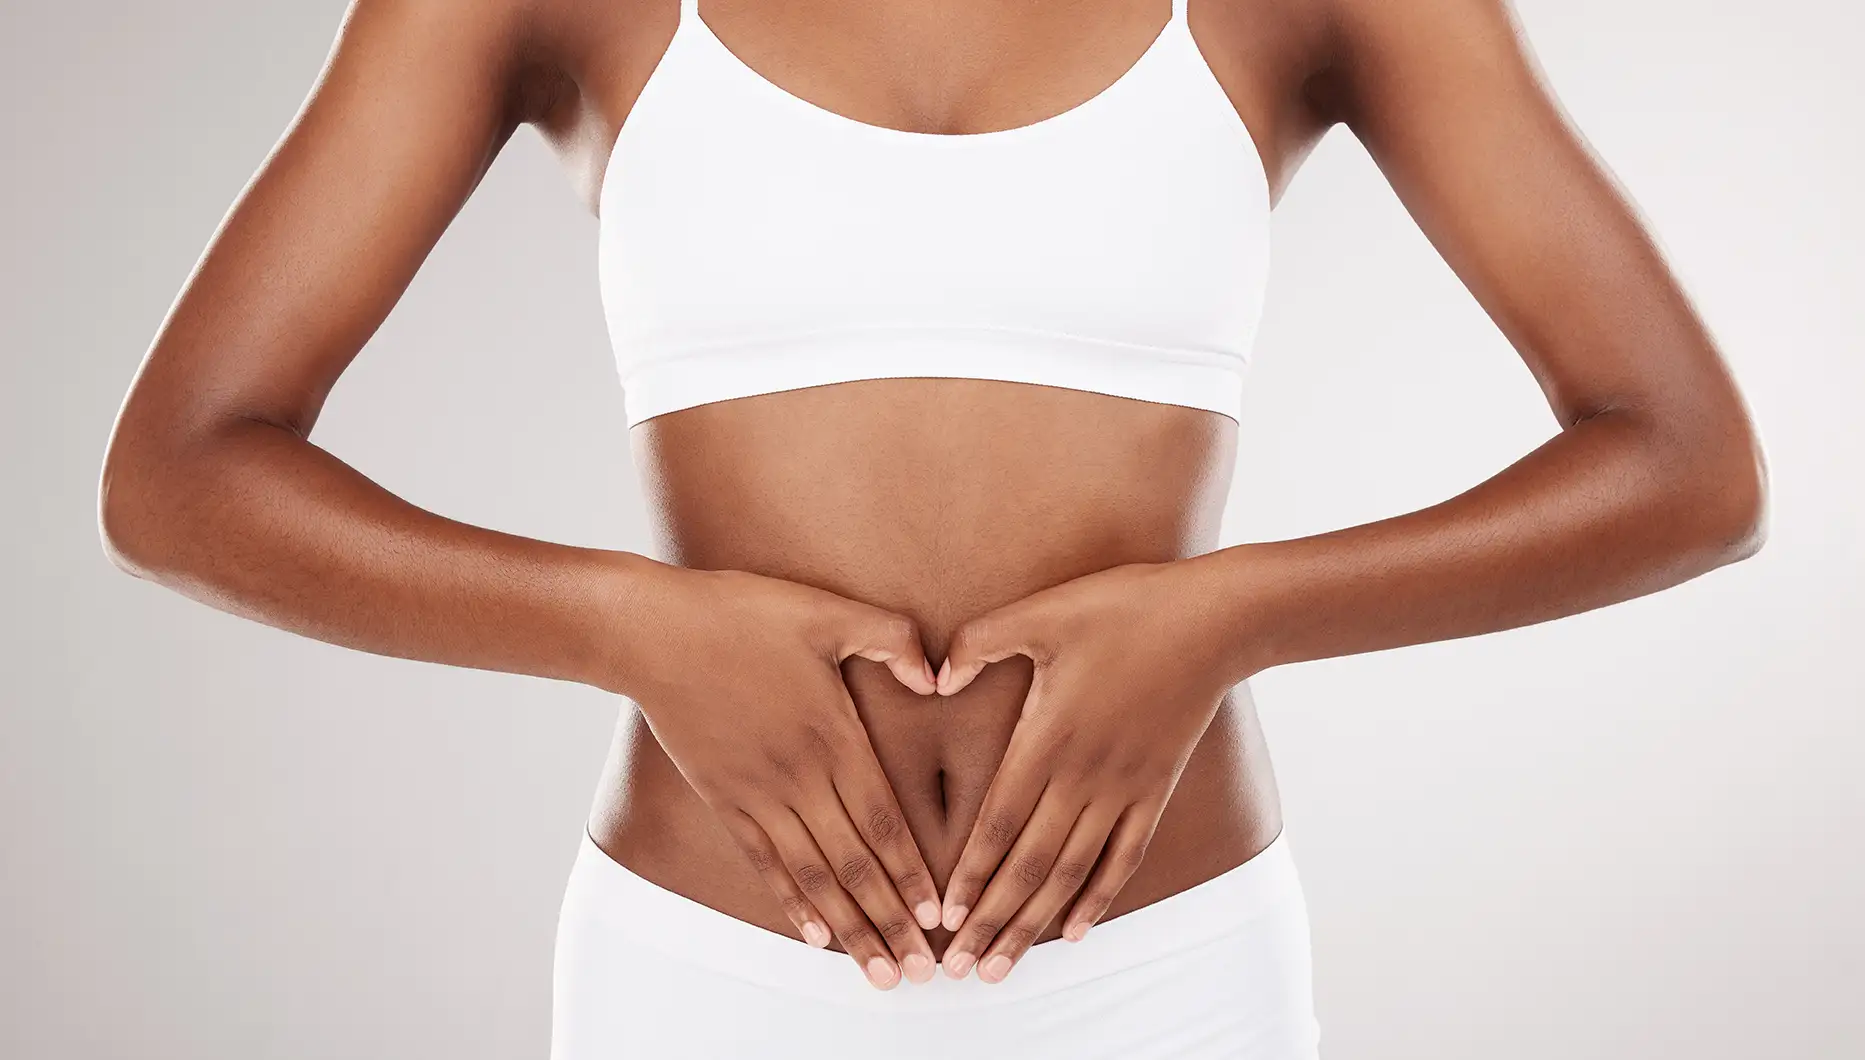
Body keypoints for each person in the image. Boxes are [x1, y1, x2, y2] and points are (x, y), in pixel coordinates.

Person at [97, 0, 1768, 1055]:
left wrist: (1227, 614)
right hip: (712, 978)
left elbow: (1684, 462)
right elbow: (182, 472)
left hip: (1167, 976)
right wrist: (631, 624)